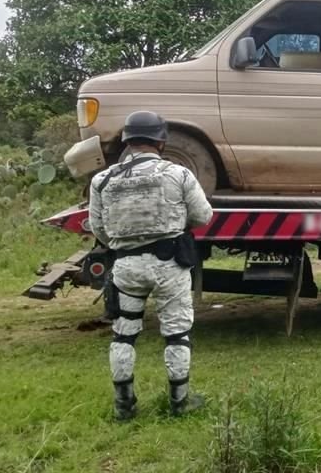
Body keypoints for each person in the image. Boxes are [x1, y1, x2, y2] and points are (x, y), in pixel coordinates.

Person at [88, 111, 213, 420]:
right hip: (170, 265)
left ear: (127, 141)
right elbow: (203, 216)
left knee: (124, 335)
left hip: (126, 267)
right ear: (160, 141)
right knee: (176, 334)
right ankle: (179, 403)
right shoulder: (178, 174)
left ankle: (124, 407)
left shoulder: (102, 180)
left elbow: (98, 228)